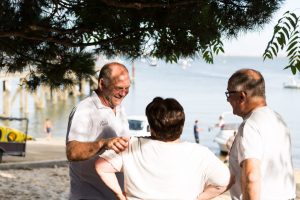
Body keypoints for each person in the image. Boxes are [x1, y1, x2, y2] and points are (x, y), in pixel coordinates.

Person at [95, 97, 233, 200]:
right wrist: (199, 198)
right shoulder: (200, 153)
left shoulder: (132, 145)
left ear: (151, 128)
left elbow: (101, 167)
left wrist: (119, 194)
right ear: (182, 126)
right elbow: (226, 181)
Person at [226, 68, 296, 200]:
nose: (228, 99)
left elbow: (251, 176)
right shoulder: (278, 119)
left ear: (242, 96)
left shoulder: (250, 126)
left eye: (229, 93)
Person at [66, 62, 131, 200]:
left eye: (127, 88)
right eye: (119, 88)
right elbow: (72, 152)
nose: (123, 93)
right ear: (102, 84)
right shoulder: (85, 109)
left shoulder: (119, 108)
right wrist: (103, 144)